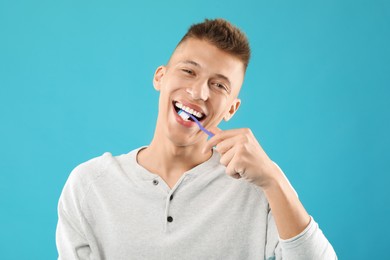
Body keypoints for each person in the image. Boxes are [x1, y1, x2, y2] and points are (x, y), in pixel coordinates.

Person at [56, 18, 337, 259]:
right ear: (160, 78)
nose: (199, 92)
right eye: (189, 71)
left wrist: (273, 180)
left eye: (218, 85)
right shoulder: (89, 185)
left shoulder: (258, 187)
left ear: (231, 109)